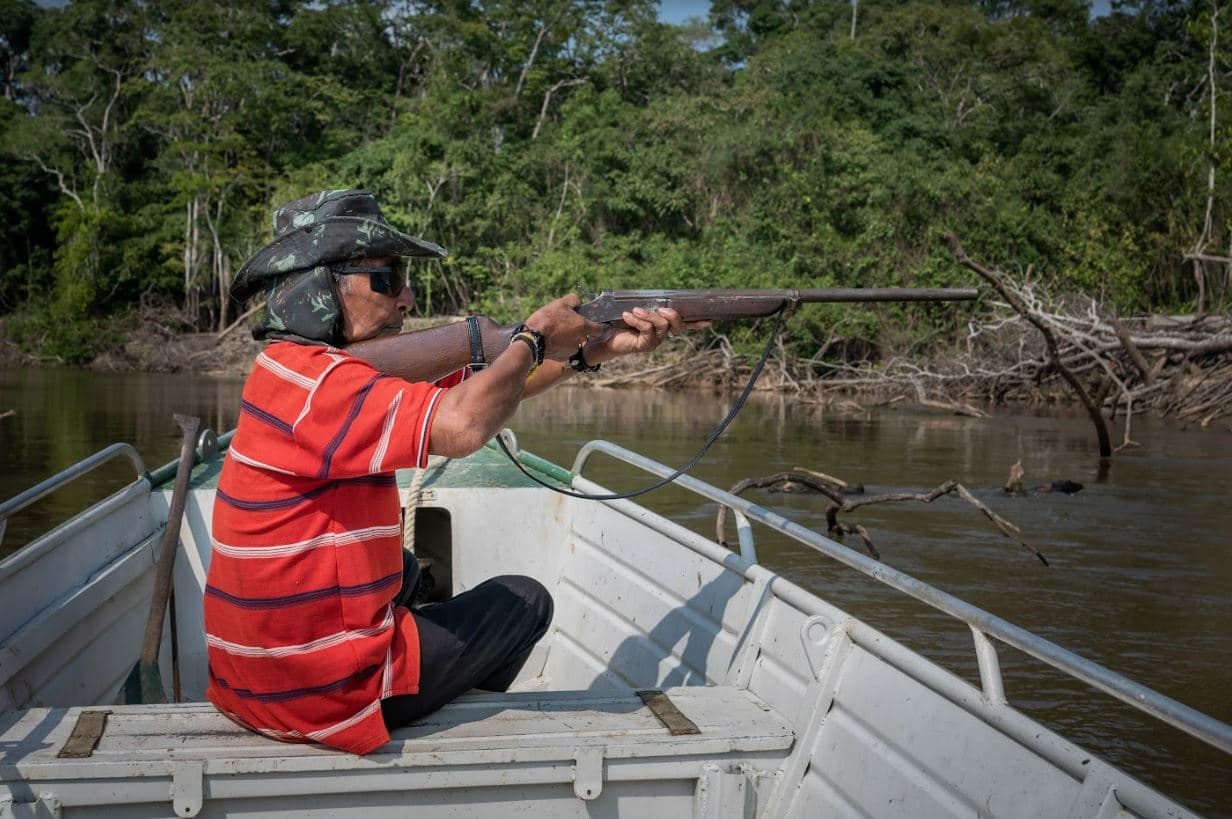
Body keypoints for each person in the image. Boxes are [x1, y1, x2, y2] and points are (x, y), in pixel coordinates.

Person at [203, 189, 695, 755]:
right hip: (321, 694)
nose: (406, 297)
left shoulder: (293, 373)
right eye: (386, 279)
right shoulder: (327, 387)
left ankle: (422, 680)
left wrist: (592, 352)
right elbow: (464, 425)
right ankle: (451, 729)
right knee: (525, 600)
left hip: (250, 682)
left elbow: (481, 393)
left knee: (408, 571)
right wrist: (532, 338)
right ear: (321, 287)